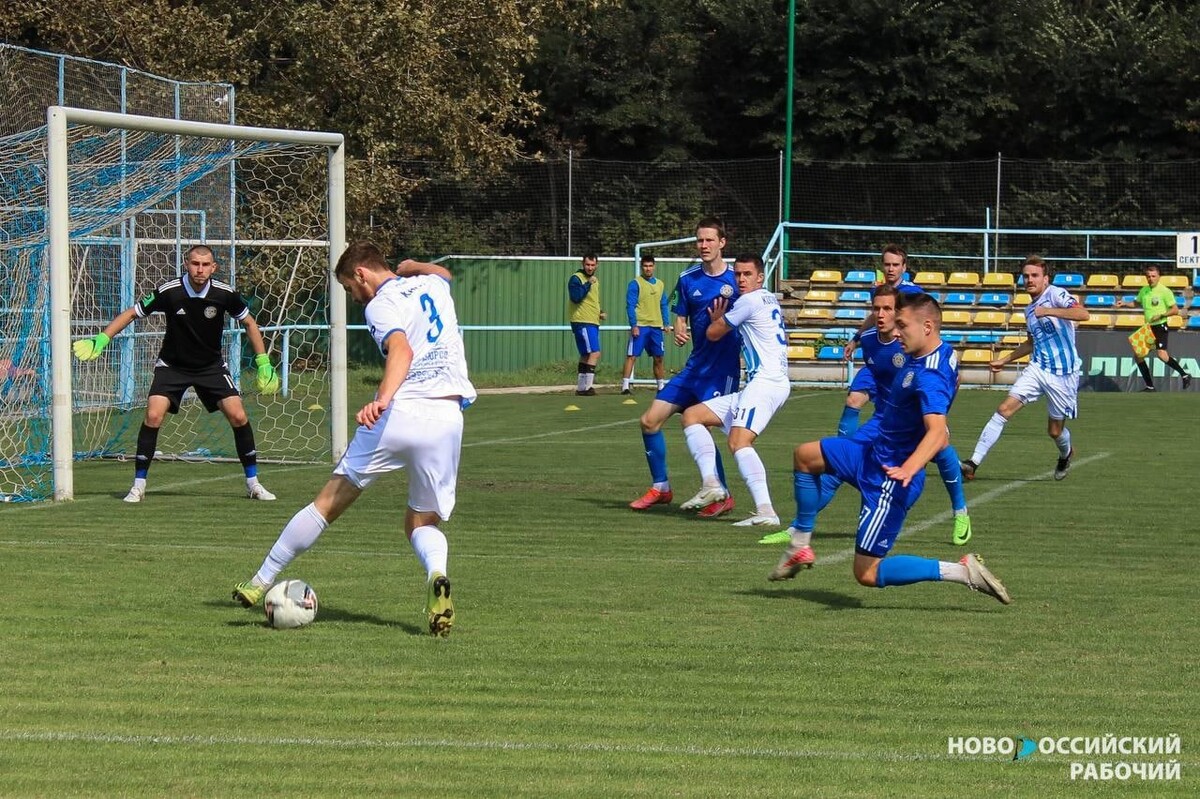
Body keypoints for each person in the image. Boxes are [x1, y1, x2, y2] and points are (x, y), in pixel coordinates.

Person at [232, 241, 476, 637]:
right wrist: (413, 264)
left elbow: (401, 350)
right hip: (447, 417)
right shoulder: (433, 286)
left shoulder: (379, 304)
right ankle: (437, 574)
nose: (353, 296)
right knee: (420, 521)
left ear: (361, 273)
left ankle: (259, 581)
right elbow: (444, 274)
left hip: (401, 412)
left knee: (325, 504)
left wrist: (381, 400)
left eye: (349, 288)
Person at [769, 293, 1011, 605]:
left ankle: (963, 571)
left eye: (902, 325)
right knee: (804, 456)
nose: (895, 332)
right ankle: (799, 545)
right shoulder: (939, 351)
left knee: (866, 573)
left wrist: (910, 467)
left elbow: (938, 433)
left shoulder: (930, 375)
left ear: (927, 326)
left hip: (889, 478)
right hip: (871, 452)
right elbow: (954, 381)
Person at [760, 284, 974, 546]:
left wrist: (938, 411)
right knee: (829, 468)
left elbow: (947, 376)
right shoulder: (871, 340)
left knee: (941, 446)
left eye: (889, 309)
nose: (882, 314)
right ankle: (799, 529)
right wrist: (855, 341)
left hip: (914, 423)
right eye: (877, 309)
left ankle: (960, 511)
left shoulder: (917, 346)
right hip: (883, 420)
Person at [71, 244, 279, 503]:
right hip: (172, 366)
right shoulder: (170, 291)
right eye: (195, 263)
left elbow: (249, 322)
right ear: (186, 264)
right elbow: (133, 313)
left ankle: (253, 483)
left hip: (211, 367)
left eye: (205, 265)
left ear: (214, 267)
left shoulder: (225, 294)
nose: (200, 269)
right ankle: (138, 486)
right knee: (153, 414)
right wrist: (101, 340)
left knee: (238, 415)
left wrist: (263, 362)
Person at [629, 216, 741, 518]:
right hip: (694, 369)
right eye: (699, 240)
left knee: (700, 425)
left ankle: (723, 494)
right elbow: (681, 313)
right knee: (649, 421)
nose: (703, 245)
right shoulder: (688, 277)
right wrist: (679, 327)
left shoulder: (737, 280)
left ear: (722, 243)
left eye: (709, 240)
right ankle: (662, 487)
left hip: (723, 371)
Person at [680, 254, 790, 527]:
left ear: (760, 277)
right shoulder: (768, 298)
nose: (741, 279)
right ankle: (711, 484)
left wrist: (718, 319)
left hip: (766, 382)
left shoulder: (748, 301)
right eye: (738, 274)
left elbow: (713, 333)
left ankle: (767, 511)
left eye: (747, 274)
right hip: (760, 383)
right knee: (692, 415)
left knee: (738, 442)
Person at [960, 255, 1089, 481]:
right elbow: (1032, 342)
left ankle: (1066, 452)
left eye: (1035, 276)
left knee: (1054, 432)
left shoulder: (1055, 294)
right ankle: (973, 463)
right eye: (1026, 276)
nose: (1029, 280)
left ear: (1045, 279)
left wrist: (1050, 311)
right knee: (1003, 410)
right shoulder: (1029, 310)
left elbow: (1083, 314)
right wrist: (1005, 359)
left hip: (1063, 374)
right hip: (1037, 368)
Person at [839, 244, 922, 436]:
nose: (891, 269)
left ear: (904, 266)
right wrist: (856, 339)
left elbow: (922, 322)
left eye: (895, 264)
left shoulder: (913, 293)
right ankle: (843, 453)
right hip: (878, 355)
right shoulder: (876, 289)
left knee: (905, 412)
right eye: (887, 265)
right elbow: (873, 317)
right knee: (853, 400)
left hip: (901, 356)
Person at [1114, 264, 1193, 391]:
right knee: (1138, 355)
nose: (1151, 278)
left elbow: (1174, 309)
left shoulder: (1165, 291)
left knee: (1161, 355)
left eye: (1153, 276)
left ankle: (1184, 374)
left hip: (1160, 326)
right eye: (1148, 276)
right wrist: (1124, 303)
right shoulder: (1144, 290)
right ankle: (1150, 386)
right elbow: (1136, 303)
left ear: (1158, 277)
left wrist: (1161, 314)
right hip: (1148, 328)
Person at [620, 254, 669, 394]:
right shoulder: (635, 283)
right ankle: (625, 386)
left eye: (650, 266)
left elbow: (663, 304)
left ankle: (661, 387)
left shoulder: (660, 284)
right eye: (645, 266)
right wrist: (634, 325)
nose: (648, 269)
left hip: (656, 327)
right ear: (642, 267)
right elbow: (630, 305)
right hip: (641, 326)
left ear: (654, 267)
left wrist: (666, 323)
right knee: (632, 355)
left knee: (659, 357)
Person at [567, 253, 605, 396]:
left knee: (585, 354)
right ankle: (588, 387)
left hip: (591, 320)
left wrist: (599, 312)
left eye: (592, 265)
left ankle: (581, 388)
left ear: (597, 265)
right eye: (587, 265)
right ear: (582, 264)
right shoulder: (576, 278)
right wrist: (588, 284)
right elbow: (576, 297)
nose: (590, 268)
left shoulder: (595, 281)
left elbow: (590, 301)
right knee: (595, 352)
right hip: (583, 321)